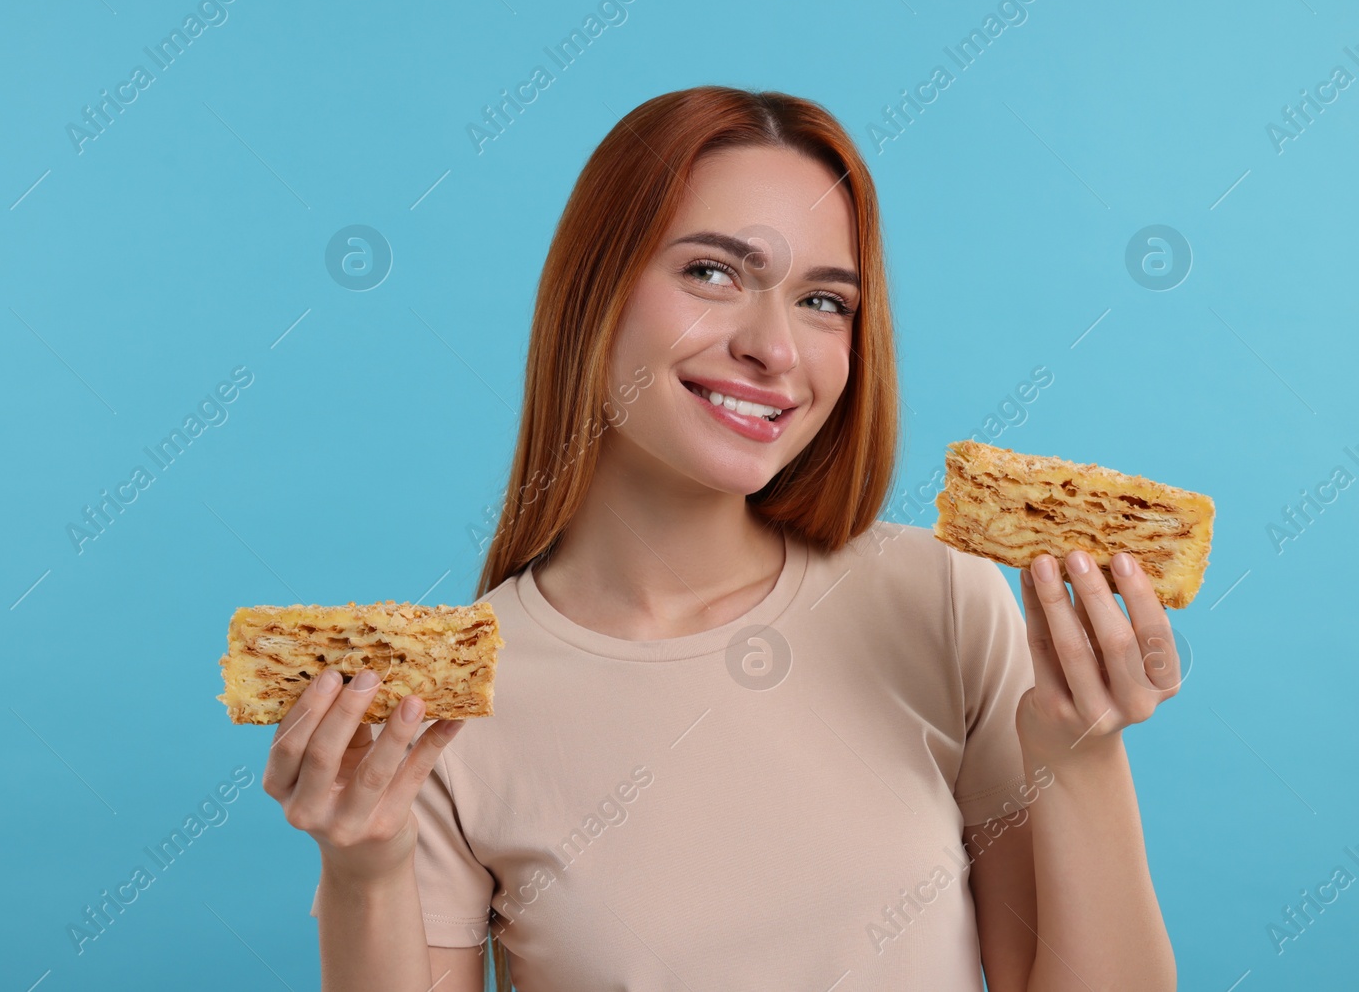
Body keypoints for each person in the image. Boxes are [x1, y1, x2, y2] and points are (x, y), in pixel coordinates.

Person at [262, 86, 1181, 991]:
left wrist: (1082, 751)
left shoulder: (940, 600)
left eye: (825, 301)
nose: (774, 348)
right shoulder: (446, 713)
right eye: (713, 272)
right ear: (597, 289)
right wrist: (365, 874)